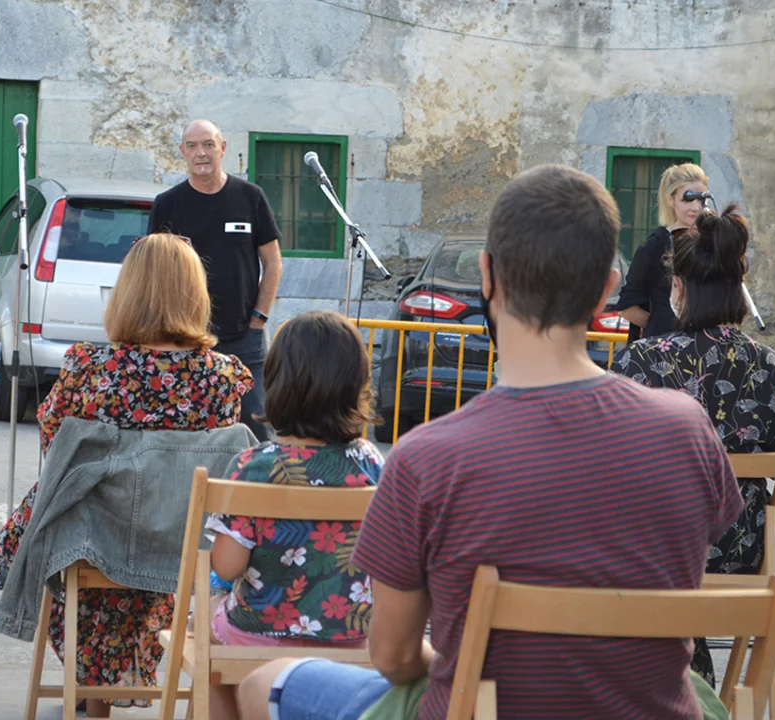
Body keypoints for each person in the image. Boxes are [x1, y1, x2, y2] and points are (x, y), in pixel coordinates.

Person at [236, 165, 743, 720]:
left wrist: (460, 659)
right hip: (649, 708)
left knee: (263, 684)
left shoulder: (424, 458)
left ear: (487, 276)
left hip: (478, 707)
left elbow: (394, 656)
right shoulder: (687, 430)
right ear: (606, 289)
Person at [0, 233, 253, 718]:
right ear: (196, 297)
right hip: (178, 548)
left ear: (127, 292)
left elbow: (56, 454)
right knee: (116, 508)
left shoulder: (91, 368)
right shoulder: (223, 379)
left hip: (94, 540)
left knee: (77, 496)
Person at [613, 204, 775, 685]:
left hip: (655, 550)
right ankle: (694, 683)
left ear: (677, 289)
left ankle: (677, 682)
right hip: (738, 552)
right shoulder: (767, 364)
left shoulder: (641, 361)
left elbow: (609, 463)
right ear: (738, 291)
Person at [205, 310, 384, 720]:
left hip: (258, 637)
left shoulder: (252, 466)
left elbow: (228, 567)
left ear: (277, 383)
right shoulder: (372, 464)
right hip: (350, 639)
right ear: (355, 388)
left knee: (207, 635)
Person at [147, 119, 283, 442]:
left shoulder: (250, 197)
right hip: (184, 337)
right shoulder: (167, 205)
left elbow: (273, 263)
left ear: (222, 148)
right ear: (182, 152)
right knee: (186, 432)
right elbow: (153, 271)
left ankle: (256, 477)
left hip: (243, 339)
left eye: (209, 144)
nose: (201, 153)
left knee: (256, 429)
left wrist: (259, 319)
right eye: (192, 146)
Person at [615, 162, 710, 342]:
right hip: (665, 347)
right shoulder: (654, 247)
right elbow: (627, 307)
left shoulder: (712, 241)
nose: (696, 207)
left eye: (701, 199)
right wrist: (662, 326)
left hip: (706, 344)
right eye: (687, 199)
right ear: (671, 200)